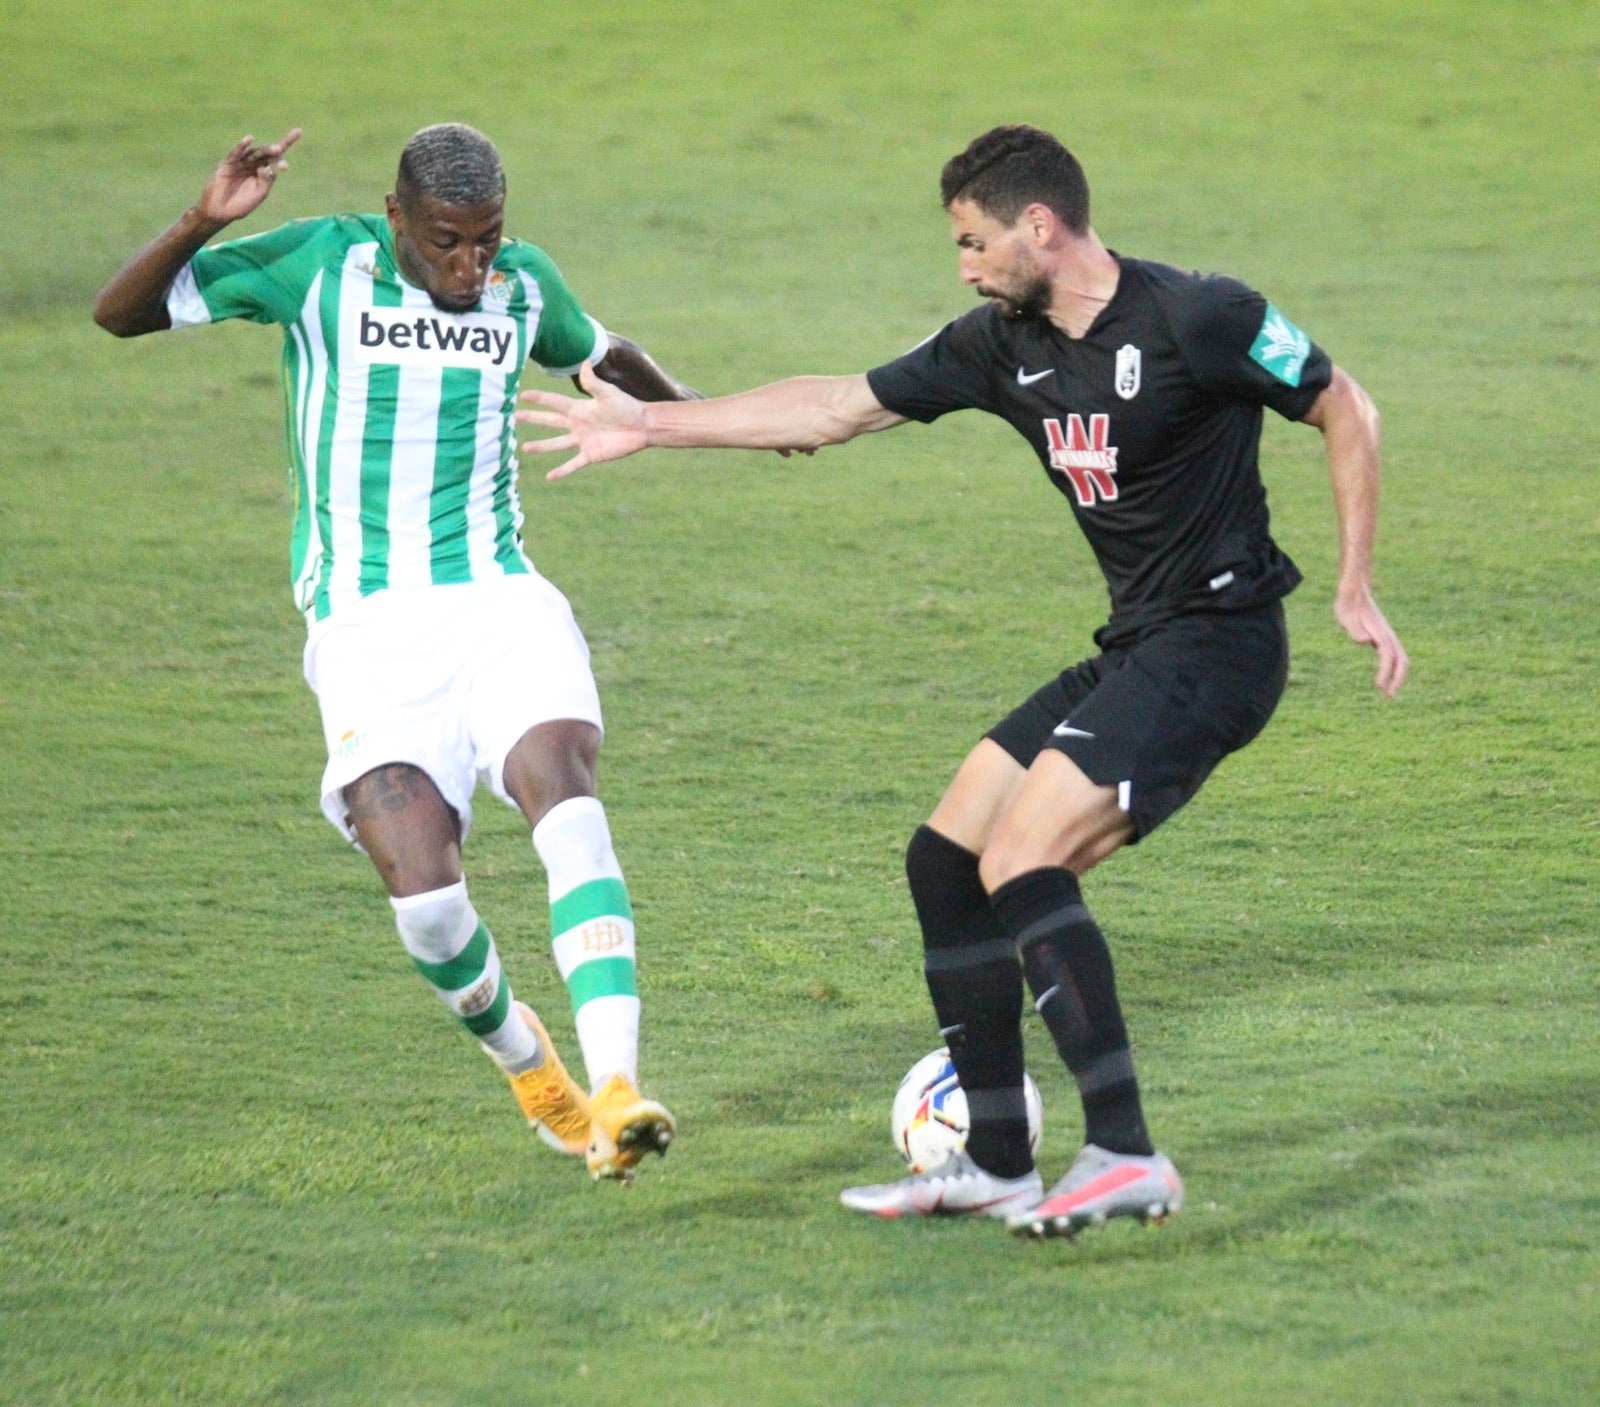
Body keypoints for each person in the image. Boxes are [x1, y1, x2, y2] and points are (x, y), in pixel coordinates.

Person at [517, 124, 1409, 1235]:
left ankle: (1126, 1152)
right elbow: (833, 408)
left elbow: (1344, 405)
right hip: (1139, 646)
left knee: (1023, 858)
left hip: (1219, 646)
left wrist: (1354, 585)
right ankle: (995, 1162)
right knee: (946, 861)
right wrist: (650, 424)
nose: (965, 267)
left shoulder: (1201, 315)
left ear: (1040, 226)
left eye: (973, 242)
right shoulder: (1001, 345)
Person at [94, 123, 695, 1182]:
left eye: (488, 238)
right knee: (426, 900)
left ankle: (617, 1086)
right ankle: (532, 1068)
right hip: (366, 631)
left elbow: (601, 353)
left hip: (499, 600)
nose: (472, 266)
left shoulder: (524, 284)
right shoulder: (318, 266)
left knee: (566, 799)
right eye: (447, 241)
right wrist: (202, 220)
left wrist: (717, 419)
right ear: (397, 220)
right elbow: (121, 314)